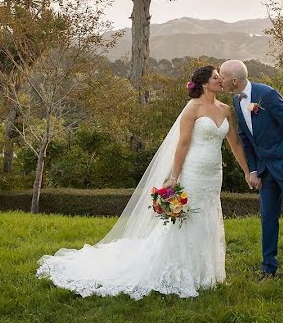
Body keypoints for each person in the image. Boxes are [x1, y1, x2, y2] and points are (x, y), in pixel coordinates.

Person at [36, 64, 252, 299]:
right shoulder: (192, 109)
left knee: (208, 216)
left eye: (220, 77)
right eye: (215, 77)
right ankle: (179, 271)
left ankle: (205, 272)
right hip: (194, 172)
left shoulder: (225, 109)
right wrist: (173, 177)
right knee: (188, 219)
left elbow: (235, 144)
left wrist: (246, 171)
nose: (220, 80)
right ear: (203, 84)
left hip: (213, 175)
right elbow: (182, 145)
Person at [219, 59, 283, 281]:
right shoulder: (237, 102)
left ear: (234, 80)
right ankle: (268, 269)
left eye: (223, 77)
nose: (220, 80)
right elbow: (246, 140)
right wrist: (254, 170)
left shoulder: (267, 94)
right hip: (265, 172)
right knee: (267, 219)